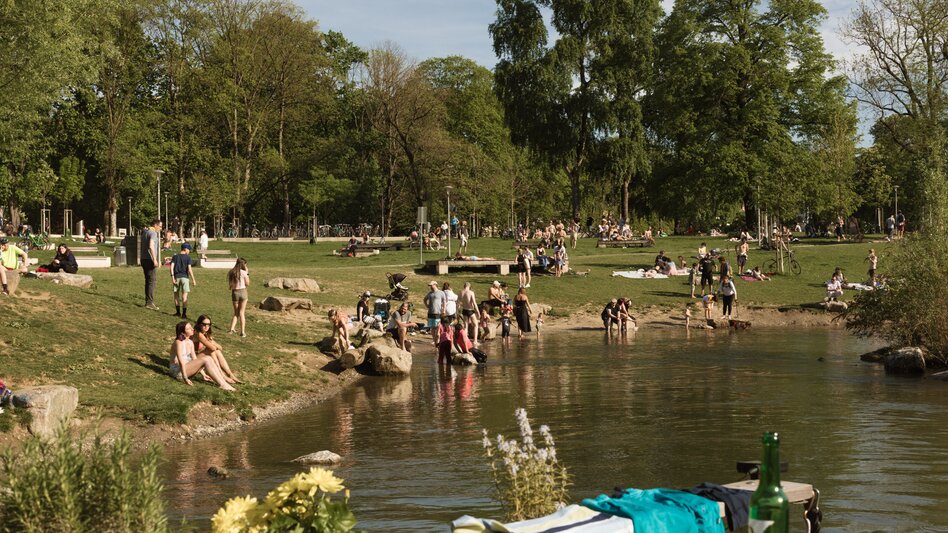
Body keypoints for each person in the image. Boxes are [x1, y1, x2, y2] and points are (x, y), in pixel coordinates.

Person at [168, 321, 235, 391]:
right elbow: (181, 362)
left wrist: (203, 374)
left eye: (191, 327)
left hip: (187, 368)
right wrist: (185, 378)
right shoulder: (178, 342)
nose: (192, 329)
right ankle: (222, 384)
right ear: (182, 332)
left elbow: (194, 359)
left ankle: (223, 383)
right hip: (177, 371)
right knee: (206, 359)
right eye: (189, 329)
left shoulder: (190, 342)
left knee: (208, 358)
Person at [193, 315, 239, 384]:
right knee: (211, 350)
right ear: (199, 324)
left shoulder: (206, 334)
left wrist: (212, 343)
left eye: (209, 324)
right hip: (192, 359)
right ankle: (222, 375)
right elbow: (212, 348)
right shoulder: (198, 334)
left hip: (199, 357)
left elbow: (220, 348)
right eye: (204, 324)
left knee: (217, 351)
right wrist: (212, 344)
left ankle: (230, 374)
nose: (206, 326)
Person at [170, 243, 197, 319]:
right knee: (184, 296)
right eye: (189, 249)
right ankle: (184, 314)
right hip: (185, 278)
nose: (189, 251)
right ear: (185, 249)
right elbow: (189, 269)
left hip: (176, 278)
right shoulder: (188, 258)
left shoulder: (175, 257)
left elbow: (171, 267)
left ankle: (178, 312)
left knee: (176, 295)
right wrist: (193, 279)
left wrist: (172, 277)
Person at [141, 219, 162, 310]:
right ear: (155, 225)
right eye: (160, 226)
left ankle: (148, 301)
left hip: (143, 259)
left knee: (148, 281)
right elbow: (151, 246)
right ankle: (149, 303)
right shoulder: (153, 233)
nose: (161, 228)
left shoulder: (145, 232)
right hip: (149, 260)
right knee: (152, 281)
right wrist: (155, 259)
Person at [227, 257, 249, 336]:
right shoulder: (243, 272)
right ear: (243, 264)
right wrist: (247, 273)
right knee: (242, 312)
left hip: (235, 293)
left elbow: (230, 284)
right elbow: (247, 283)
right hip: (243, 292)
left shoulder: (232, 272)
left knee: (236, 312)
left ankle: (232, 329)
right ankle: (242, 332)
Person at [423, 281, 446, 345]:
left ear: (435, 285)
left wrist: (444, 310)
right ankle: (434, 340)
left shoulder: (441, 293)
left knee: (437, 327)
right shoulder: (430, 293)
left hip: (437, 312)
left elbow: (444, 301)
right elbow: (424, 299)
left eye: (431, 285)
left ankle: (438, 340)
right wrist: (427, 305)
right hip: (430, 312)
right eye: (430, 286)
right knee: (432, 328)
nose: (430, 287)